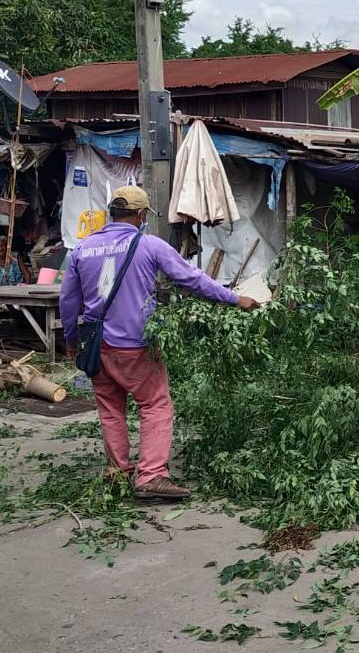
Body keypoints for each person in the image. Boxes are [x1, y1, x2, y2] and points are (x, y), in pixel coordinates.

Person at [59, 186, 259, 501]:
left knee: (111, 410)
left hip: (97, 345)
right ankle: (151, 475)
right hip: (136, 345)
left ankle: (117, 473)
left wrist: (71, 339)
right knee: (155, 405)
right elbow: (192, 279)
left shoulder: (82, 249)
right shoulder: (149, 244)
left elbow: (68, 301)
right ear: (140, 216)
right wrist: (235, 299)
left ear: (112, 213)